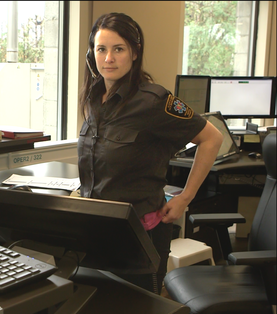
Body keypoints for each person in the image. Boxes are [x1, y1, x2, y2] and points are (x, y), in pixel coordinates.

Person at [77, 12, 223, 294]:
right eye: (101, 49)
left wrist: (184, 198)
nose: (108, 58)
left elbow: (211, 138)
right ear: (91, 54)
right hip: (98, 233)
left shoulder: (156, 100)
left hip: (140, 239)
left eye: (118, 49)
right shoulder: (95, 97)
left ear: (134, 52)